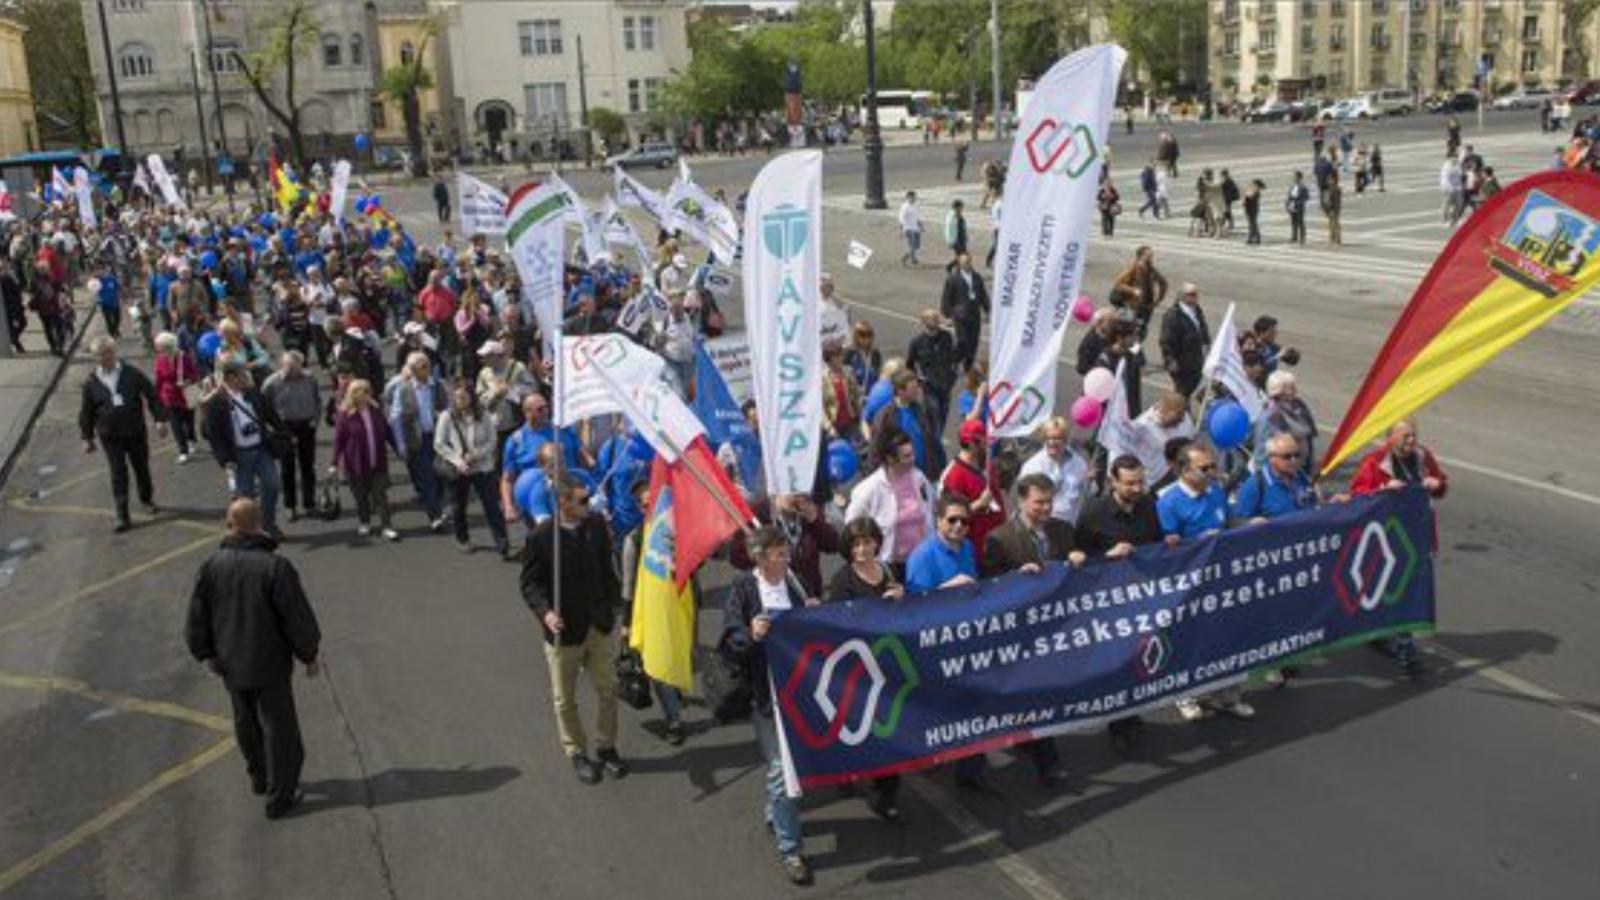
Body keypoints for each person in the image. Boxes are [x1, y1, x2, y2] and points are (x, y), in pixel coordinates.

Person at [185, 498, 321, 820]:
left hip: (231, 662)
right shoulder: (275, 567)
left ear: (229, 525)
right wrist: (309, 654)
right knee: (280, 730)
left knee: (246, 724)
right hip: (269, 662)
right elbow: (296, 618)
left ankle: (260, 778)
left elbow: (197, 617)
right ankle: (280, 797)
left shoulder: (211, 567)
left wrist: (205, 652)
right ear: (259, 524)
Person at [722, 524, 817, 884]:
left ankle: (775, 814)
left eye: (786, 552)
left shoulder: (795, 582)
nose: (786, 558)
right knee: (781, 771)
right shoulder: (744, 588)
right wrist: (750, 634)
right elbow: (730, 641)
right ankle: (790, 848)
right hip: (765, 696)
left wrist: (813, 613)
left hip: (797, 693)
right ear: (759, 558)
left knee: (791, 771)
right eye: (779, 554)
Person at [520, 473, 629, 785]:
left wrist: (616, 610)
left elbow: (608, 570)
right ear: (563, 503)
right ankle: (577, 751)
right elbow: (529, 584)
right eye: (582, 500)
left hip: (599, 625)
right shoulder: (541, 537)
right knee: (564, 699)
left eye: (588, 498)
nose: (588, 504)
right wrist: (546, 614)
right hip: (564, 631)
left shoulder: (596, 526)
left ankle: (606, 747)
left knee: (608, 691)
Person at [980, 473, 1084, 785]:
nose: (1046, 508)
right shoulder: (1000, 539)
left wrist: (1079, 559)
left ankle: (1027, 740)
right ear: (1022, 500)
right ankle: (1048, 764)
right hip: (1022, 633)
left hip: (1057, 627)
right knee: (1036, 694)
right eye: (1039, 502)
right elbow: (989, 589)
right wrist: (1015, 578)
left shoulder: (1064, 531)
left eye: (1050, 501)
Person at [1157, 443, 1254, 721]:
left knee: (1231, 637)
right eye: (1205, 468)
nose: (1213, 472)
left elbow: (1228, 523)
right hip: (1190, 586)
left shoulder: (1215, 492)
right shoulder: (1168, 502)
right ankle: (1184, 694)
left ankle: (1227, 695)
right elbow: (1167, 550)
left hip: (1222, 579)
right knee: (1191, 641)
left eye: (1213, 466)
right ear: (1184, 470)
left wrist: (1249, 525)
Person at [1075, 455, 1166, 752]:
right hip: (1109, 602)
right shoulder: (1093, 512)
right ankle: (1118, 724)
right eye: (1130, 483)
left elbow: (1156, 543)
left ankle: (1131, 711)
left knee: (1139, 658)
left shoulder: (1149, 506)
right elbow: (1079, 558)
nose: (1137, 488)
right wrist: (1107, 556)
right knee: (1117, 662)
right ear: (1114, 482)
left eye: (1140, 481)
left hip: (1141, 596)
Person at [1350, 419, 1448, 677]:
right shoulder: (1374, 462)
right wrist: (1383, 488)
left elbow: (1440, 483)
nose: (1411, 441)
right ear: (1390, 438)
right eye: (1405, 437)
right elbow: (1358, 495)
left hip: (1419, 534)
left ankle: (1378, 632)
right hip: (1390, 539)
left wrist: (1437, 484)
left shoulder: (1422, 456)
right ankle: (1407, 654)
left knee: (1408, 590)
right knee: (1401, 592)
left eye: (1413, 436)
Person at [824, 517, 905, 819]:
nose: (862, 549)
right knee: (857, 729)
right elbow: (839, 626)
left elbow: (904, 615)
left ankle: (885, 795)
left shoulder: (887, 570)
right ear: (848, 547)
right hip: (858, 670)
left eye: (868, 542)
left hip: (887, 663)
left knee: (888, 730)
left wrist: (900, 599)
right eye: (856, 544)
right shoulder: (842, 580)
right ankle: (846, 770)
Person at [78, 336, 168, 532]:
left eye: (108, 353)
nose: (105, 358)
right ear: (95, 357)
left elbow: (152, 395)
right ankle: (122, 515)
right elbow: (87, 412)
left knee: (141, 466)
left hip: (135, 430)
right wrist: (87, 437)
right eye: (100, 355)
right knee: (118, 473)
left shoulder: (131, 373)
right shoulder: (91, 382)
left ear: (114, 352)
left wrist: (160, 419)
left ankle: (146, 498)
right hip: (110, 436)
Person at [206, 356, 286, 539]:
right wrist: (225, 460)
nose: (246, 376)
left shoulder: (253, 393)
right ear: (231, 377)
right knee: (246, 497)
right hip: (239, 456)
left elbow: (271, 414)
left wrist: (284, 433)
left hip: (260, 449)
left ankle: (268, 525)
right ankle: (248, 532)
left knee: (272, 486)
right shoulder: (216, 402)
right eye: (243, 373)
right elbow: (214, 435)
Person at [845, 430, 936, 577]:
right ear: (889, 458)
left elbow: (932, 510)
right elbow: (851, 530)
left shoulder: (919, 478)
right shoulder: (867, 490)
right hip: (890, 568)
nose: (913, 459)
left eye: (912, 453)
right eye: (906, 456)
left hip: (923, 563)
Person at [435, 381, 511, 555]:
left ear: (472, 397)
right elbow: (439, 444)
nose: (459, 400)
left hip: (482, 467)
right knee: (458, 506)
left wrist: (476, 454)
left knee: (492, 505)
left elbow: (492, 441)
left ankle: (502, 541)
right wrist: (458, 461)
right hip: (458, 469)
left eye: (463, 396)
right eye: (456, 397)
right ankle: (463, 539)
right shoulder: (447, 416)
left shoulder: (483, 415)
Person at [387, 352, 449, 531]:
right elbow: (396, 418)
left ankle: (436, 505)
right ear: (413, 370)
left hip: (437, 438)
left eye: (427, 365)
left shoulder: (437, 386)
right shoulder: (403, 388)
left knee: (440, 477)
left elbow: (448, 409)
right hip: (417, 440)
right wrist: (400, 444)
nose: (426, 369)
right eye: (422, 366)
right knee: (427, 477)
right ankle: (435, 516)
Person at [331, 379, 399, 541]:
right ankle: (364, 521)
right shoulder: (345, 415)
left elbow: (387, 431)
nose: (366, 395)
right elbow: (338, 440)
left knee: (380, 496)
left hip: (377, 461)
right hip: (356, 463)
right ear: (353, 394)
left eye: (368, 391)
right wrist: (334, 463)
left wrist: (397, 448)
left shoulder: (376, 410)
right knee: (360, 496)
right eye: (362, 392)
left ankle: (386, 526)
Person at [261, 351, 321, 523]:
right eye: (287, 366)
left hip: (306, 426)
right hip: (284, 427)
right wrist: (273, 429)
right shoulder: (271, 383)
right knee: (287, 469)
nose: (290, 371)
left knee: (308, 466)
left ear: (300, 366)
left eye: (294, 367)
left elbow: (317, 400)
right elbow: (264, 408)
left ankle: (309, 503)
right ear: (282, 364)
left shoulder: (310, 379)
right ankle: (290, 506)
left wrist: (315, 420)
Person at [939, 419, 1004, 556]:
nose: (987, 445)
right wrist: (979, 504)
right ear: (971, 444)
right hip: (976, 548)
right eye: (983, 442)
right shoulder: (954, 476)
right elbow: (950, 518)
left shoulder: (986, 464)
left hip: (998, 541)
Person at [1018, 416, 1090, 526]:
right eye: (1048, 438)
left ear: (1065, 439)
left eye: (1057, 438)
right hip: (1040, 526)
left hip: (1069, 526)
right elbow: (1023, 500)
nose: (1052, 442)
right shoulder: (1032, 466)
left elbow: (1087, 495)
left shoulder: (1079, 464)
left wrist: (1090, 482)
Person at [904, 492, 979, 595]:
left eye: (964, 521)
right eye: (952, 520)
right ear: (939, 521)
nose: (959, 525)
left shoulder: (968, 546)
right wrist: (948, 588)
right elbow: (918, 604)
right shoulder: (921, 557)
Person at [908, 309, 960, 441]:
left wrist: (954, 373)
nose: (936, 321)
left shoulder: (946, 337)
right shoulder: (917, 342)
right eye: (932, 319)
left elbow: (954, 357)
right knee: (933, 414)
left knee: (943, 414)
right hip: (929, 387)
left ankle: (937, 437)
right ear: (924, 322)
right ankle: (934, 442)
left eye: (936, 318)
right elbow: (910, 364)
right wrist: (918, 379)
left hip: (946, 385)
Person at [1255, 371, 1318, 473]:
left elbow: (1308, 436)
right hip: (1282, 472)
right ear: (1278, 391)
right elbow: (1262, 453)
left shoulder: (1299, 406)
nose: (1295, 390)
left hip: (1301, 468)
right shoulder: (1270, 417)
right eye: (1291, 387)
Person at [152, 331, 200, 464]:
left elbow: (195, 374)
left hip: (186, 395)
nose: (157, 349)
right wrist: (155, 396)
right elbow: (159, 379)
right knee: (176, 424)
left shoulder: (183, 357)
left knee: (188, 420)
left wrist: (187, 381)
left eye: (159, 346)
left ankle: (191, 438)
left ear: (167, 346)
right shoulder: (160, 360)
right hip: (169, 396)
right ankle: (183, 451)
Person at [1159, 282, 1210, 400]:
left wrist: (1207, 344)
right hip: (1182, 363)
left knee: (1195, 390)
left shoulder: (1197, 310)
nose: (1194, 297)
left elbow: (1202, 329)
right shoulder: (1173, 315)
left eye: (1195, 294)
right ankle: (1180, 413)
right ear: (1181, 296)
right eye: (1190, 294)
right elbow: (1166, 340)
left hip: (1197, 360)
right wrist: (1170, 359)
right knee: (1182, 393)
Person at [939, 253, 988, 375]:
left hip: (974, 314)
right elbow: (946, 297)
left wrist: (987, 309)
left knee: (973, 342)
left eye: (968, 261)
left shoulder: (977, 277)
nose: (967, 264)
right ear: (959, 264)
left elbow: (982, 294)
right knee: (963, 341)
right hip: (960, 315)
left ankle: (968, 366)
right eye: (964, 262)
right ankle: (954, 360)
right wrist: (948, 315)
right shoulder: (953, 278)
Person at [1108, 245, 1169, 341]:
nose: (1151, 256)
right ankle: (1131, 350)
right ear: (1140, 256)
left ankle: (1133, 349)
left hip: (1147, 306)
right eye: (1148, 254)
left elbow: (1163, 282)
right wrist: (1133, 290)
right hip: (1134, 306)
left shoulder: (1151, 269)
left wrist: (1159, 299)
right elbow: (1119, 284)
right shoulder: (1133, 267)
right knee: (1133, 330)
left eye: (1151, 254)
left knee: (1142, 330)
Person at [898, 190, 923, 267]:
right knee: (912, 245)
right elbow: (901, 218)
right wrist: (901, 230)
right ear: (907, 198)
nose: (913, 199)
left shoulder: (916, 205)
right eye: (911, 197)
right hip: (908, 228)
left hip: (916, 228)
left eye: (914, 197)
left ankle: (912, 257)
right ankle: (907, 258)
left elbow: (918, 216)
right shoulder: (905, 207)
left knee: (917, 245)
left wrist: (921, 226)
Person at [943, 200, 968, 273]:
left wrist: (966, 235)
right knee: (963, 255)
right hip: (956, 240)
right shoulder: (952, 217)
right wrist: (950, 241)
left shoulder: (959, 215)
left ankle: (955, 268)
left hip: (961, 238)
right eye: (961, 207)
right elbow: (949, 230)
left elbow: (963, 227)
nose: (962, 208)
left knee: (960, 256)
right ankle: (951, 267)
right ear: (956, 207)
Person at [1440, 152, 1465, 226]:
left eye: (1456, 157)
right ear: (1450, 158)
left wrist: (1461, 186)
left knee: (1459, 204)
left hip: (1458, 188)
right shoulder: (1447, 167)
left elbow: (1460, 176)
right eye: (1454, 157)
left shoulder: (1457, 165)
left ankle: (1455, 220)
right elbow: (1445, 179)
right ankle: (1445, 220)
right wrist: (1450, 188)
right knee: (1447, 205)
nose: (1455, 159)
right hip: (1448, 189)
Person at [1286, 171, 1310, 246]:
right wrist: (1288, 203)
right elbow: (1289, 196)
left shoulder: (1303, 187)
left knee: (1300, 222)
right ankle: (1294, 236)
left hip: (1299, 206)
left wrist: (1300, 202)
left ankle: (1302, 237)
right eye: (1294, 177)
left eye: (1295, 177)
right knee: (1293, 222)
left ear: (1299, 178)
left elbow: (1307, 197)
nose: (1294, 178)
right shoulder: (1292, 186)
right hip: (1292, 205)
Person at [1322, 169, 1343, 246]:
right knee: (1331, 225)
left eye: (1330, 179)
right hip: (1330, 209)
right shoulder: (1329, 188)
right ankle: (1332, 239)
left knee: (1335, 225)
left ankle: (1337, 240)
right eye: (1328, 179)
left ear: (1333, 179)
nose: (1328, 181)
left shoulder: (1336, 188)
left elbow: (1337, 201)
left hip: (1334, 209)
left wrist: (1336, 209)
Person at [1097, 169, 1121, 236]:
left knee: (1111, 220)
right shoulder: (1102, 190)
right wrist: (1103, 197)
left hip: (1111, 207)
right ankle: (1104, 232)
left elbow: (1117, 197)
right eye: (1107, 183)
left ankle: (1110, 232)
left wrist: (1112, 197)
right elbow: (1098, 197)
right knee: (1104, 220)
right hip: (1104, 207)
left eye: (1109, 183)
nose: (1108, 184)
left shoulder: (1113, 190)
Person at [1243, 178, 1264, 245]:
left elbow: (1251, 197)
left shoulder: (1256, 191)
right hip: (1250, 209)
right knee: (1252, 224)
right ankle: (1254, 237)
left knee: (1253, 224)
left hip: (1253, 209)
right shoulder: (1253, 191)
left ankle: (1254, 238)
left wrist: (1247, 194)